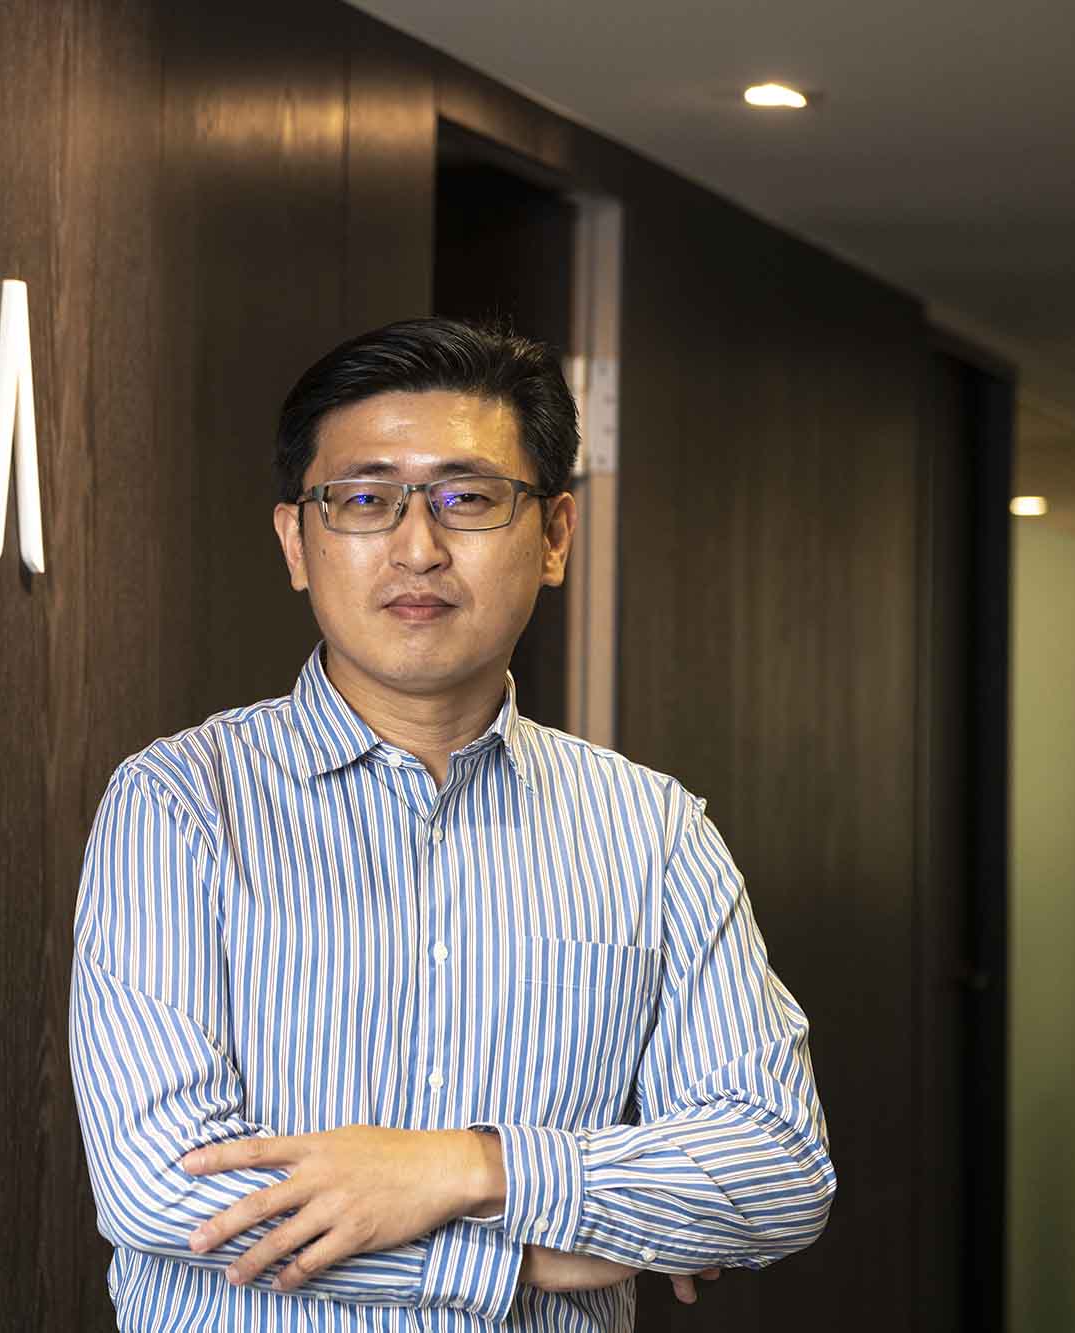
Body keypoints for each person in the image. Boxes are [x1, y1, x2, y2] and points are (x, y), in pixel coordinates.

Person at [68, 317, 834, 1331]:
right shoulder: (178, 803)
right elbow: (163, 1187)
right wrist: (533, 1256)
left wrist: (468, 1165)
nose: (417, 548)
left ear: (553, 537)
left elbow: (776, 1166)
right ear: (296, 542)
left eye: (466, 498)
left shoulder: (651, 832)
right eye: (364, 500)